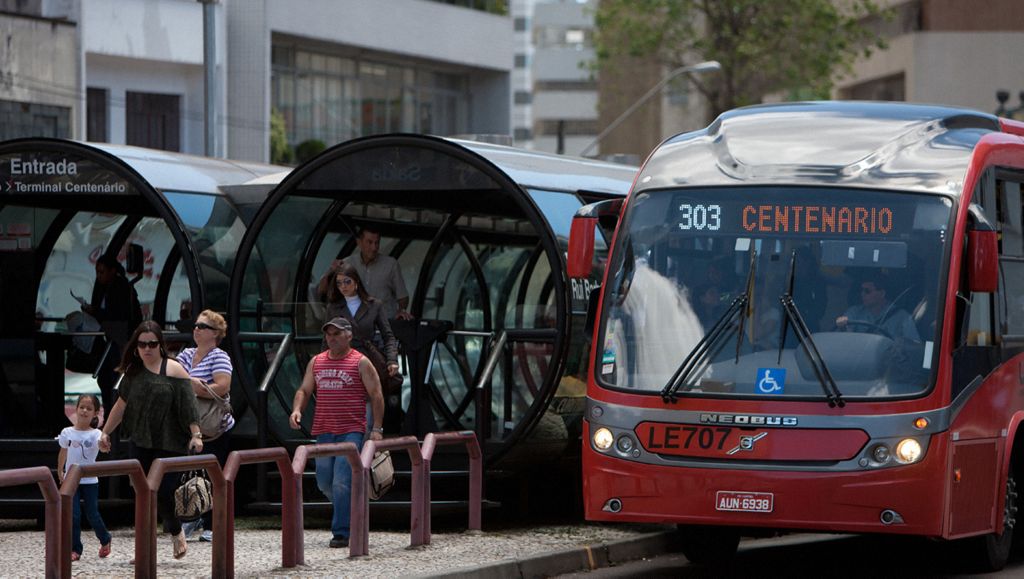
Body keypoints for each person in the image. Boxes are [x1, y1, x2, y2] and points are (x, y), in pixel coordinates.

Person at [98, 321, 203, 560]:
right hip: (141, 440)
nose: (147, 348)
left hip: (171, 442)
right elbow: (121, 405)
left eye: (152, 344)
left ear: (160, 345)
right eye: (143, 344)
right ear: (136, 347)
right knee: (143, 494)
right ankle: (145, 548)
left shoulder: (174, 369)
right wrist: (105, 432)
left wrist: (196, 435)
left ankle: (176, 531)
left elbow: (188, 405)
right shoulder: (133, 373)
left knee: (163, 491)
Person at [289, 317, 384, 549]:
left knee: (342, 481)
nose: (331, 338)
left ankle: (341, 532)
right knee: (323, 481)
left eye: (337, 334)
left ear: (349, 336)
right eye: (329, 334)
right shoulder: (317, 362)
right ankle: (353, 509)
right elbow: (304, 389)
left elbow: (376, 394)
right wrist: (296, 410)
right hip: (324, 430)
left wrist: (377, 428)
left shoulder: (360, 362)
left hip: (351, 430)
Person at [176, 310, 233, 543]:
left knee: (212, 475)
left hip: (213, 427)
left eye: (203, 326)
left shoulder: (219, 356)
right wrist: (195, 384)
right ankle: (191, 515)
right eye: (196, 325)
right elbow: (172, 379)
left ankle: (213, 523)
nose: (196, 329)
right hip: (187, 424)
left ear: (216, 334)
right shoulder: (187, 354)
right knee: (187, 474)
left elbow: (221, 387)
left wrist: (189, 384)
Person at [57, 394, 112, 563]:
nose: (84, 411)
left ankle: (105, 539)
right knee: (73, 515)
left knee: (92, 513)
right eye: (82, 407)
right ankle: (75, 548)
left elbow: (103, 448)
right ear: (76, 409)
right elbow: (63, 452)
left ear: (96, 413)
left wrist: (104, 445)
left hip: (89, 481)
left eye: (89, 409)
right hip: (71, 480)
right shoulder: (67, 432)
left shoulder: (96, 434)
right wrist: (60, 471)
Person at [83, 253, 140, 414]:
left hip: (119, 339)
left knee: (113, 379)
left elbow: (118, 315)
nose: (99, 276)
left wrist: (96, 312)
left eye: (102, 272)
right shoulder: (104, 289)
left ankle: (115, 418)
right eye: (97, 272)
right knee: (105, 378)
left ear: (112, 271)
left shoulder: (121, 288)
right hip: (110, 339)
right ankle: (110, 414)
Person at [325, 262, 400, 385]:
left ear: (356, 282)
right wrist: (324, 364)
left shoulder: (374, 305)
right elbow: (327, 339)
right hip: (341, 362)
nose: (343, 286)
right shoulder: (333, 307)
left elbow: (388, 336)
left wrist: (392, 360)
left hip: (367, 359)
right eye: (339, 283)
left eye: (347, 282)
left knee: (369, 398)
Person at [337, 226, 413, 321]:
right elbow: (331, 293)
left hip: (383, 325)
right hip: (356, 324)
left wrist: (402, 310)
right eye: (369, 242)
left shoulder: (391, 264)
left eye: (377, 243)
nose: (374, 247)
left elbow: (402, 296)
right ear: (359, 242)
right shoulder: (347, 264)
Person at [836, 275, 920, 342]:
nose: (862, 294)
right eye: (861, 290)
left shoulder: (903, 317)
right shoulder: (854, 312)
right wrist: (842, 326)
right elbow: (843, 341)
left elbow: (913, 345)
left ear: (882, 293)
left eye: (867, 291)